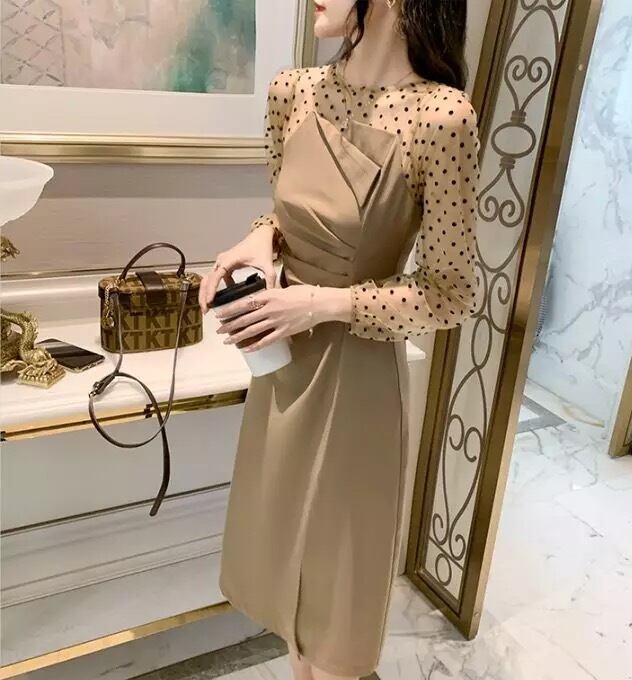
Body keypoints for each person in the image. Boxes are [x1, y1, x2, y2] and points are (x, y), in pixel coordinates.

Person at [198, 1, 480, 678]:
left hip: (356, 385)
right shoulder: (291, 92)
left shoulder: (441, 118)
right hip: (281, 367)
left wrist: (320, 304)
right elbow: (288, 209)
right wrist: (260, 237)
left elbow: (451, 293)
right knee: (289, 599)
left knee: (335, 612)